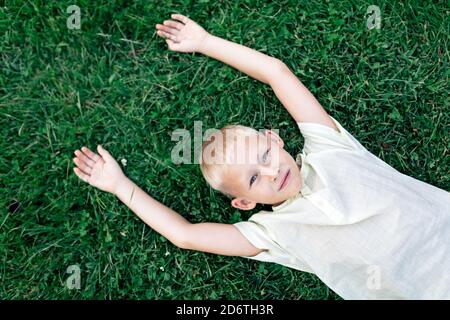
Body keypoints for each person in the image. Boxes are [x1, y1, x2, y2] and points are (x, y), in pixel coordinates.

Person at [73, 13, 450, 299]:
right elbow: (184, 235)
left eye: (265, 154)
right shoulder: (273, 232)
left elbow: (276, 73)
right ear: (244, 201)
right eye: (253, 179)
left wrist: (204, 41)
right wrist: (119, 185)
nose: (271, 171)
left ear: (276, 138)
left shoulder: (328, 148)